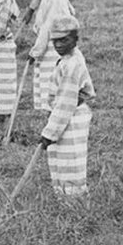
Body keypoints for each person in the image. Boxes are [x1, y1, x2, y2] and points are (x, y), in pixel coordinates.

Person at [39, 15, 95, 197]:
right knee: (60, 159)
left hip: (71, 116)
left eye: (64, 40)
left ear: (75, 39)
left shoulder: (72, 65)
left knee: (70, 161)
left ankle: (74, 203)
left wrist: (49, 133)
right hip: (65, 115)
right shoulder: (69, 58)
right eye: (55, 41)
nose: (59, 45)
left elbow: (65, 102)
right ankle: (63, 197)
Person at [28, 0, 75, 112]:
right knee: (47, 82)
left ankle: (53, 119)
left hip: (53, 46)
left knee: (50, 84)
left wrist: (35, 52)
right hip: (50, 44)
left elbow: (47, 28)